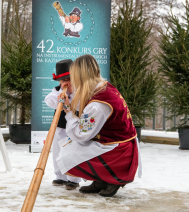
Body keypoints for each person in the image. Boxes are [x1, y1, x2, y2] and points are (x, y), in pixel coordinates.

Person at [57, 54, 142, 197]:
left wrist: (68, 111)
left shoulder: (99, 103)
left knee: (69, 153)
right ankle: (101, 179)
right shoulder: (102, 88)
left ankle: (112, 178)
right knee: (69, 146)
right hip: (114, 141)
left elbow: (80, 134)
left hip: (118, 149)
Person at [44, 59, 82, 190]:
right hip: (60, 125)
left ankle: (74, 179)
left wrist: (69, 101)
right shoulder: (57, 90)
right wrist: (59, 97)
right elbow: (49, 100)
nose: (67, 82)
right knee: (58, 151)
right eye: (63, 80)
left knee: (72, 151)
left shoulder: (80, 90)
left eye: (69, 79)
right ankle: (60, 176)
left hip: (75, 125)